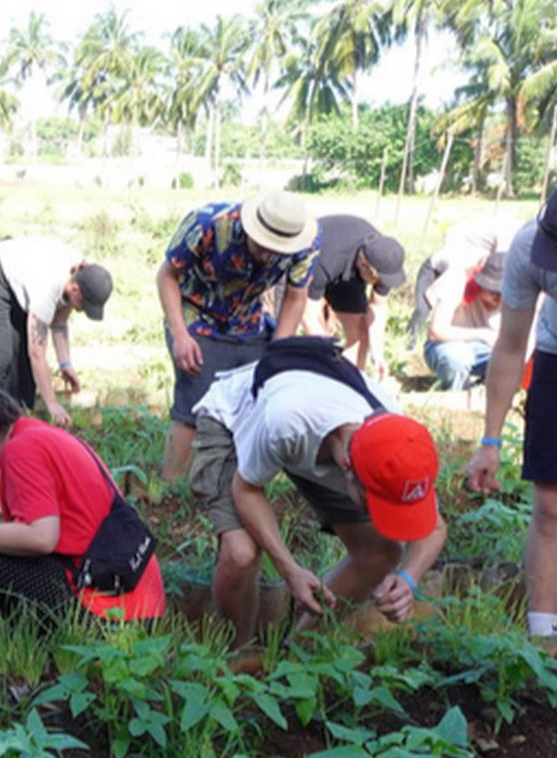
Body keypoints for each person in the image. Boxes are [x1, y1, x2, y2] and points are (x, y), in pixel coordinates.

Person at [189, 338, 447, 648]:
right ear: (349, 470)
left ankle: (297, 652)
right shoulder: (288, 420)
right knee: (241, 553)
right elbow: (246, 490)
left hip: (313, 443)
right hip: (234, 418)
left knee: (381, 552)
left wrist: (408, 578)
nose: (382, 513)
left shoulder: (398, 444)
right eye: (376, 502)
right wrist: (290, 570)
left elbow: (434, 526)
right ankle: (239, 657)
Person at [0, 357, 165, 626]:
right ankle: (17, 644)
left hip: (109, 611)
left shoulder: (20, 451)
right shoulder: (38, 434)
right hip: (138, 601)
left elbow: (41, 537)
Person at [157, 190, 320, 480]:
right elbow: (167, 275)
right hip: (196, 316)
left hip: (249, 320)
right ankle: (171, 486)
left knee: (252, 405)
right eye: (264, 245)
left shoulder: (306, 243)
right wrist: (180, 334)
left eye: (277, 249)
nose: (269, 255)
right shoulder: (207, 223)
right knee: (194, 404)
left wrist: (279, 352)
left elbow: (295, 297)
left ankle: (230, 486)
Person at [467, 187, 557, 647]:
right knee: (550, 508)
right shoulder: (531, 247)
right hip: (554, 362)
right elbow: (508, 345)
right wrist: (491, 441)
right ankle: (545, 643)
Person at [0, 236, 113, 425]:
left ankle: (15, 422)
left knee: (22, 368)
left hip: (14, 283)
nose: (83, 310)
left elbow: (59, 322)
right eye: (85, 305)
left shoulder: (84, 274)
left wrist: (65, 364)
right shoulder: (48, 287)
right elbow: (37, 353)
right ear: (75, 289)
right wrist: (51, 403)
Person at [299, 215, 407, 376]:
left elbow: (378, 305)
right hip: (311, 257)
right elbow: (308, 315)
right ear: (364, 265)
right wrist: (329, 354)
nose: (381, 283)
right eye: (377, 279)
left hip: (350, 272)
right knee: (310, 334)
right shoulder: (326, 260)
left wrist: (377, 353)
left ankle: (353, 381)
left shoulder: (384, 261)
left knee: (360, 333)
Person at [423, 251, 504, 390]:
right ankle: (454, 396)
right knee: (458, 358)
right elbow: (436, 331)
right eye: (493, 292)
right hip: (446, 344)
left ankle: (483, 391)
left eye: (503, 293)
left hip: (485, 350)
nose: (498, 299)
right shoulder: (459, 280)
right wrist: (483, 334)